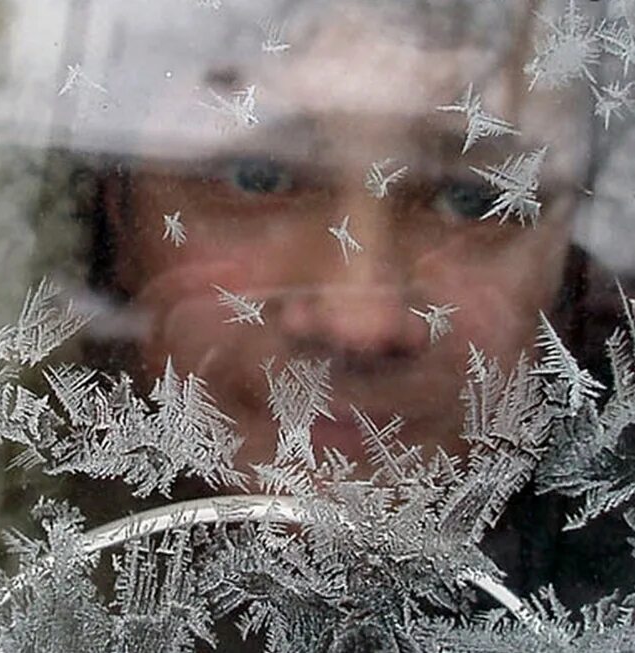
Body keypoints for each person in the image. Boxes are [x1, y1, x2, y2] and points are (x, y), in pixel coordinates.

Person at [54, 0, 635, 618]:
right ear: (116, 215)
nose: (361, 324)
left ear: (570, 263)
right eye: (258, 177)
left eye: (475, 199)